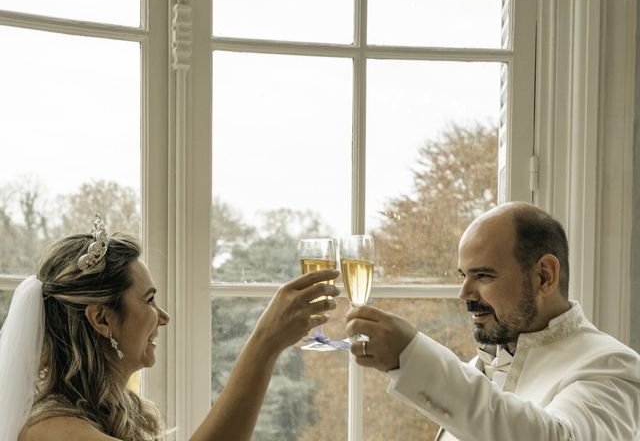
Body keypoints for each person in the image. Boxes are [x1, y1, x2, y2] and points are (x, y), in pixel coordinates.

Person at [0, 214, 340, 441]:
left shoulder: (115, 412)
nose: (164, 317)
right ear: (102, 319)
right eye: (148, 300)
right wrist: (264, 343)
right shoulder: (53, 430)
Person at [346, 202, 640, 440]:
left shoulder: (613, 366)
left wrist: (411, 357)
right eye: (463, 275)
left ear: (544, 276)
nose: (464, 293)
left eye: (483, 275)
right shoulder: (483, 366)